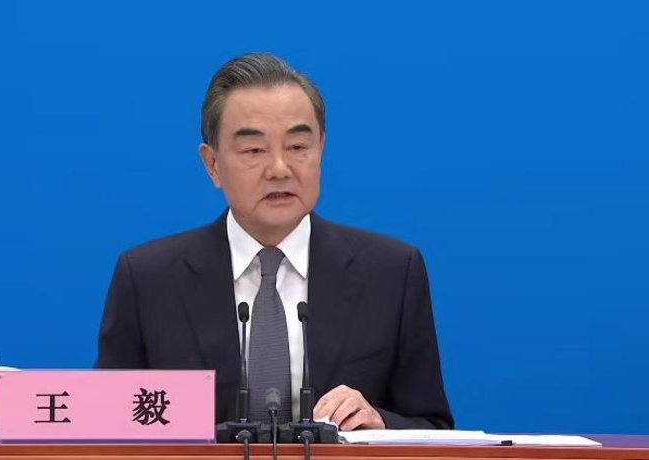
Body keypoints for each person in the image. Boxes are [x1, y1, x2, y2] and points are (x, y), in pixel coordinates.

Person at [96, 53, 453, 431]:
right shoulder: (148, 280)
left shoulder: (391, 274)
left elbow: (434, 427)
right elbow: (105, 424)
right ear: (212, 165)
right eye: (254, 150)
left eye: (298, 147)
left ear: (321, 149)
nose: (280, 169)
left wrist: (379, 423)